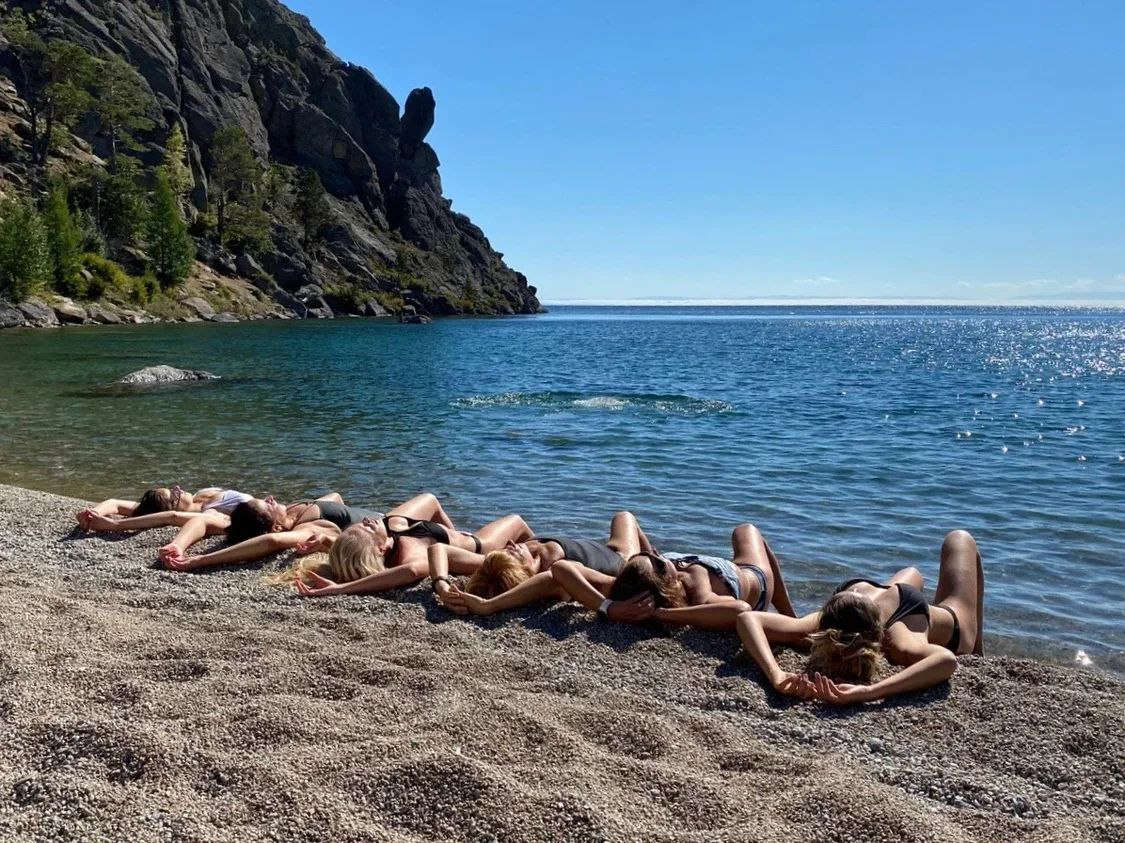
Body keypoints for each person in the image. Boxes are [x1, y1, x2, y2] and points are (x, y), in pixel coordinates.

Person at [735, 530, 985, 704]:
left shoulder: (899, 640)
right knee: (912, 572)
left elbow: (946, 660)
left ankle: (978, 647)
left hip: (942, 620)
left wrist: (869, 691)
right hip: (874, 596)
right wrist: (776, 674)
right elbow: (748, 619)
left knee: (958, 539)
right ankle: (910, 581)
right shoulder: (824, 622)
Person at [548, 523, 797, 631]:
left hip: (667, 586)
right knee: (746, 530)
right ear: (670, 580)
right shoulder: (699, 592)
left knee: (624, 517)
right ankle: (790, 617)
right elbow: (740, 609)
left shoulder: (627, 590)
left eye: (644, 554)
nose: (653, 553)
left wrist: (608, 607)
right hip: (754, 582)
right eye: (655, 559)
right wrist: (664, 614)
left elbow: (562, 568)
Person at [429, 511, 656, 618]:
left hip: (587, 548)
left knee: (517, 523)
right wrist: (488, 605)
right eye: (514, 553)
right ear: (523, 572)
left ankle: (656, 554)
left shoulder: (500, 564)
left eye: (509, 550)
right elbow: (550, 578)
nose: (510, 544)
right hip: (618, 556)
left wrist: (442, 587)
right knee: (625, 517)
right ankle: (655, 556)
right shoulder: (553, 577)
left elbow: (439, 550)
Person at [286, 502, 534, 597]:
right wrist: (340, 589)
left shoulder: (390, 524)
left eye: (359, 525)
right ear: (380, 550)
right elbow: (412, 571)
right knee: (517, 522)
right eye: (367, 528)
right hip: (481, 545)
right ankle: (535, 574)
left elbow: (431, 501)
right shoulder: (410, 554)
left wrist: (330, 541)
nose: (367, 520)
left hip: (459, 537)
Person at [156, 491, 354, 570]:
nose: (270, 498)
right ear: (276, 527)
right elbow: (272, 541)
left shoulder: (289, 512)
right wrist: (198, 560)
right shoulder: (309, 528)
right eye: (267, 504)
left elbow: (203, 521)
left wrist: (177, 545)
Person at [75, 485, 254, 533]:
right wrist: (114, 525)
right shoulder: (210, 514)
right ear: (174, 506)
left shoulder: (200, 496)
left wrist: (93, 513)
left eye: (173, 489)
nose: (178, 489)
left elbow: (115, 502)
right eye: (174, 495)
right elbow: (170, 516)